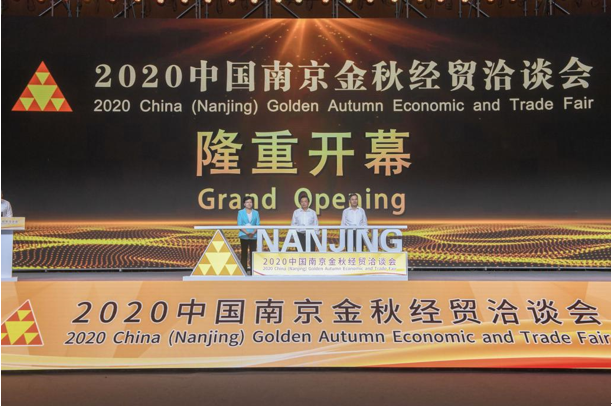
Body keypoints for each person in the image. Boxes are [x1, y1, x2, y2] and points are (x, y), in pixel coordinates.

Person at [237, 195, 260, 274]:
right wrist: (247, 233)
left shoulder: (256, 213)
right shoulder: (240, 212)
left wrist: (253, 233)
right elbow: (239, 225)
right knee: (244, 253)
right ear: (244, 204)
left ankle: (253, 271)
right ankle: (244, 271)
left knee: (253, 254)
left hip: (254, 236)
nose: (249, 203)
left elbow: (258, 224)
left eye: (250, 202)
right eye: (247, 202)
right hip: (244, 236)